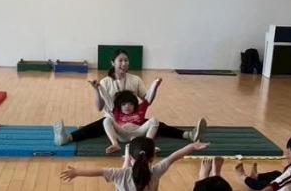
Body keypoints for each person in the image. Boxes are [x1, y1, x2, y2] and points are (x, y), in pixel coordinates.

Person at [52, 49, 205, 146]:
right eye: (120, 60)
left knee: (159, 125)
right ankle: (67, 138)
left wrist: (155, 86)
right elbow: (99, 107)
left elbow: (147, 100)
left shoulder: (135, 80)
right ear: (113, 62)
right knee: (95, 126)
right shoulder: (105, 82)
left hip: (134, 120)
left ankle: (188, 135)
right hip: (114, 120)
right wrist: (97, 90)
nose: (124, 63)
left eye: (126, 60)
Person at [61, 137, 209, 191]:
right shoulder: (157, 171)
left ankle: (126, 156)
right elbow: (174, 156)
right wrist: (192, 146)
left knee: (122, 173)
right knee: (124, 173)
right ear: (152, 158)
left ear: (133, 158)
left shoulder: (121, 173)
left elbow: (98, 171)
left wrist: (76, 172)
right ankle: (127, 155)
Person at [100, 90, 160, 154]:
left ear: (135, 105)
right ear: (119, 106)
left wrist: (155, 85)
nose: (127, 106)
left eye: (131, 104)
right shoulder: (116, 111)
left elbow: (149, 98)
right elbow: (106, 98)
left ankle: (148, 146)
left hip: (138, 133)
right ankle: (115, 144)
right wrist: (98, 87)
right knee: (106, 120)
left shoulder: (140, 109)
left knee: (154, 120)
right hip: (123, 134)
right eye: (123, 104)